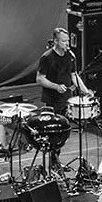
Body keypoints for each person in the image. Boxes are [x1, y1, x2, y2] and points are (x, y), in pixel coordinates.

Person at [36, 27, 92, 172]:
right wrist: (55, 86)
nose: (67, 44)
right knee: (53, 134)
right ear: (55, 41)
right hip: (52, 100)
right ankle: (52, 164)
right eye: (64, 41)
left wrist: (86, 92)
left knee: (63, 133)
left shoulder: (70, 56)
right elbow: (40, 79)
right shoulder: (47, 57)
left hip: (65, 99)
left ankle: (55, 162)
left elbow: (74, 76)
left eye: (68, 41)